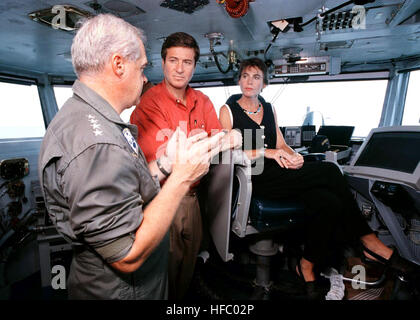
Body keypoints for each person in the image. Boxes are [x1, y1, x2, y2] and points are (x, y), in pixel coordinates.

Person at [38, 14, 226, 300]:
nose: (144, 77)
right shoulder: (96, 142)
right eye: (141, 68)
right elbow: (126, 255)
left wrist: (165, 164)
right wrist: (181, 178)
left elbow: (126, 186)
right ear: (118, 65)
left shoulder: (91, 119)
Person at [219, 57, 420, 299]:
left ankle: (306, 265)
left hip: (280, 173)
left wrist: (295, 157)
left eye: (256, 77)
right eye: (245, 76)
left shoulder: (269, 109)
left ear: (264, 83)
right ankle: (369, 243)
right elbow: (229, 153)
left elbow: (281, 144)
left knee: (329, 203)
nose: (249, 82)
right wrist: (267, 152)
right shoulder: (228, 110)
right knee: (330, 171)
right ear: (239, 80)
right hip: (255, 177)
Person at [130, 32, 242, 300]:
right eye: (173, 60)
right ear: (163, 62)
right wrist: (220, 142)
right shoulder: (148, 104)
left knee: (187, 270)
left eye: (187, 62)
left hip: (192, 198)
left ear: (194, 65)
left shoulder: (201, 101)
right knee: (162, 275)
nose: (180, 69)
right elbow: (166, 160)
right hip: (160, 197)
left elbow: (219, 140)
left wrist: (225, 140)